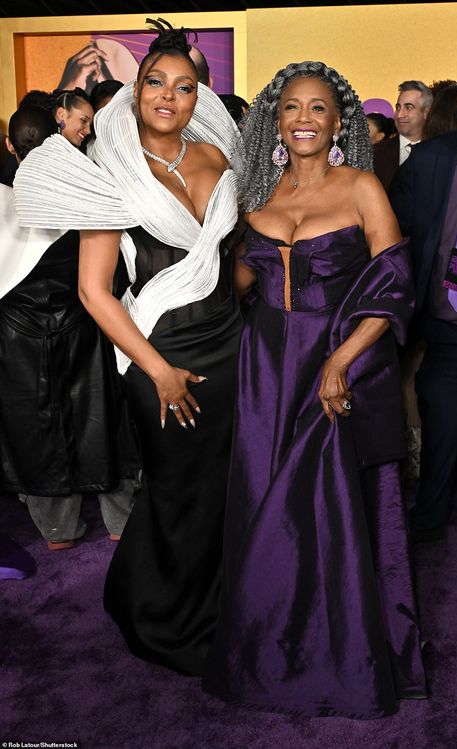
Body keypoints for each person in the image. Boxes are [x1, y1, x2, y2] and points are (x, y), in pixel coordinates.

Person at [13, 20, 242, 674]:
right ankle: (163, 612)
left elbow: (232, 258)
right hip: (158, 349)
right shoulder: (108, 170)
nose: (168, 96)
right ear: (135, 90)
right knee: (175, 486)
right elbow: (94, 291)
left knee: (223, 486)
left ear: (200, 96)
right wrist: (160, 371)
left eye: (185, 86)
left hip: (230, 342)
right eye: (155, 83)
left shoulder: (216, 158)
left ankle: (220, 599)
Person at [203, 60, 427, 718]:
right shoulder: (257, 202)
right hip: (265, 373)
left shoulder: (361, 188)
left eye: (318, 108)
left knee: (323, 514)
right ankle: (268, 652)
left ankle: (339, 657)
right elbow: (232, 293)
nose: (303, 117)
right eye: (291, 107)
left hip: (336, 371)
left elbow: (393, 283)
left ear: (338, 123)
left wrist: (340, 360)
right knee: (266, 505)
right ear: (275, 121)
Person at [0, 106, 137, 550]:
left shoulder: (3, 205)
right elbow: (114, 277)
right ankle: (120, 522)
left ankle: (58, 532)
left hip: (17, 340)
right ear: (60, 137)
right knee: (102, 422)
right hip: (86, 328)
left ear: (9, 146)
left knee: (35, 430)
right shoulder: (87, 196)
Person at [390, 57, 457, 542]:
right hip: (450, 331)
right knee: (439, 437)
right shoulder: (429, 161)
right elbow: (391, 239)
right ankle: (426, 528)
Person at [374, 80, 432, 191]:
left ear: (426, 112)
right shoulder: (375, 153)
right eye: (398, 107)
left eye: (408, 107)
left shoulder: (440, 153)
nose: (400, 115)